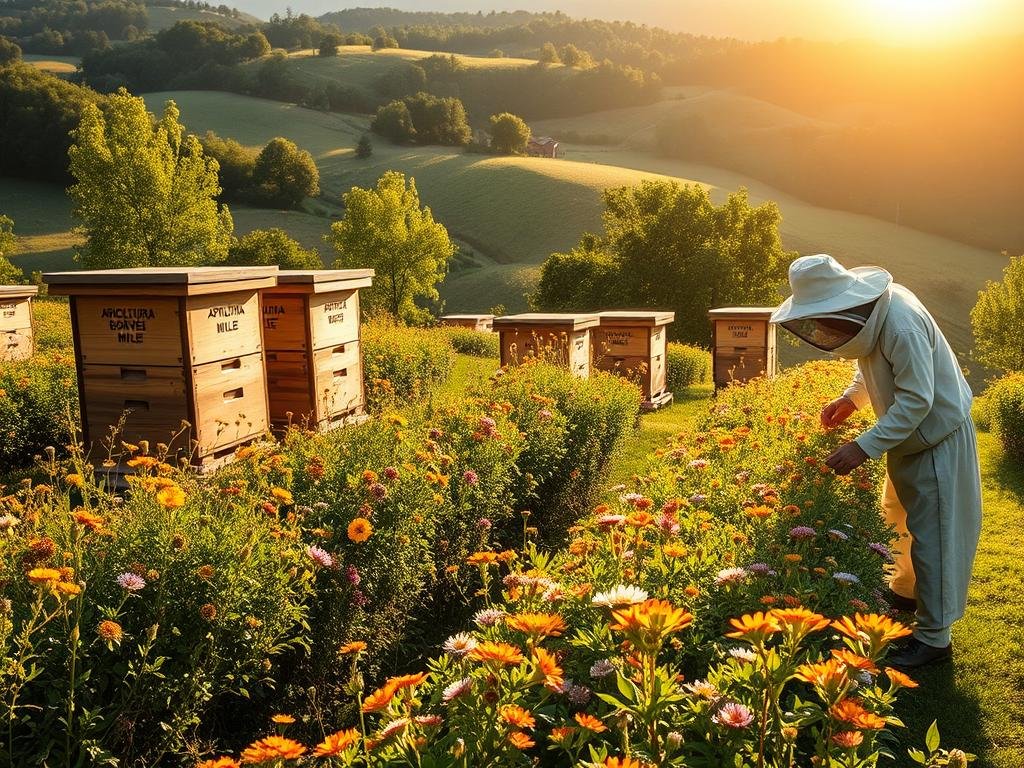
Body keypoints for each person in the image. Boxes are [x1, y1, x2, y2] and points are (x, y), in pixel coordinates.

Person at [771, 254, 981, 669]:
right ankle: (906, 592)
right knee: (899, 520)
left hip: (936, 441)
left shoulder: (900, 324)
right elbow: (872, 363)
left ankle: (934, 639)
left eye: (826, 319)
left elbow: (916, 400)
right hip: (910, 441)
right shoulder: (875, 314)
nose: (824, 329)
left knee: (936, 538)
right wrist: (852, 399)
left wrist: (862, 446)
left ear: (844, 304)